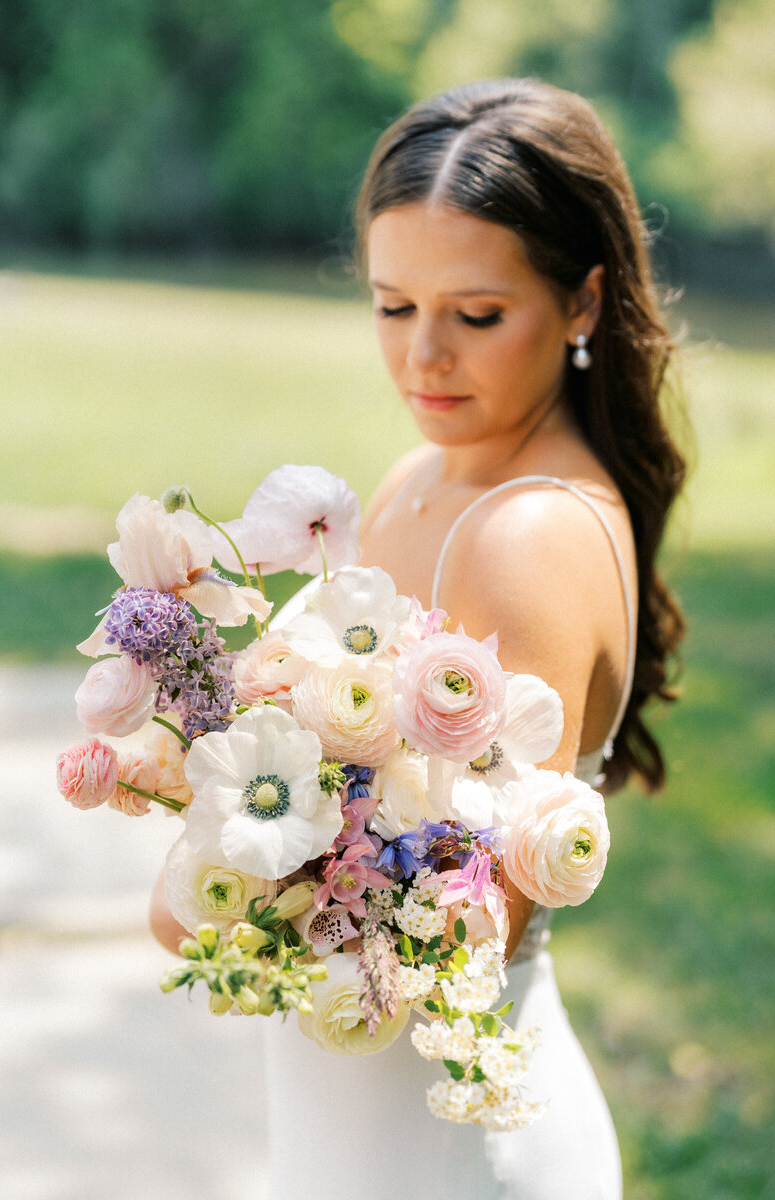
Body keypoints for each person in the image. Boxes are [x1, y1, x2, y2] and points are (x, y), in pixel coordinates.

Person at [152, 77, 686, 1199]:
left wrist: (212, 872)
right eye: (394, 306)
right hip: (353, 1116)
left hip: (449, 1140)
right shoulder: (419, 478)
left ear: (582, 304)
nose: (422, 358)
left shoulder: (527, 532)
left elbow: (458, 922)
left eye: (475, 315)